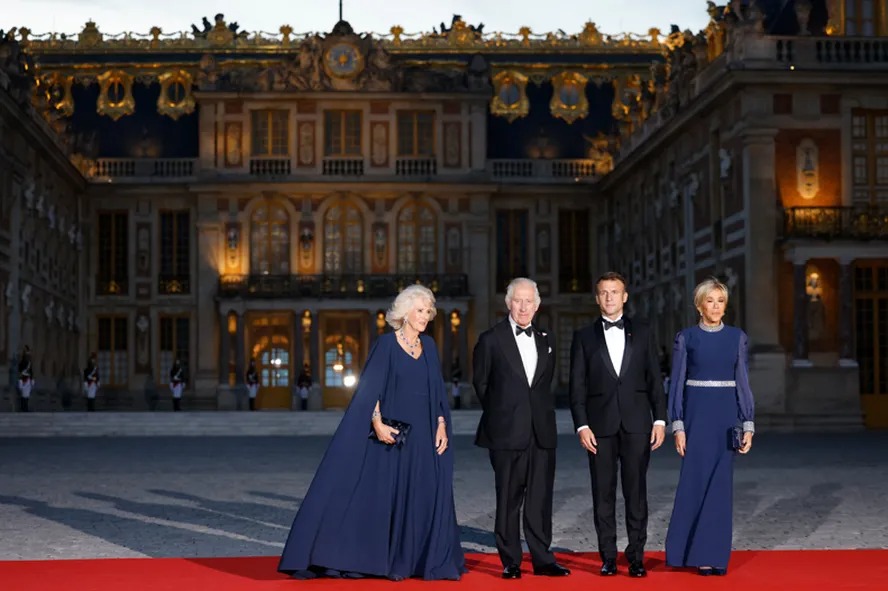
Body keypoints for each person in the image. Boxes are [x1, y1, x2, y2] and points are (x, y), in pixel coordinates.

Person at [278, 285, 465, 581]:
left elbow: (436, 391)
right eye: (419, 310)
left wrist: (442, 423)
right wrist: (376, 423)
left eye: (428, 311)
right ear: (404, 313)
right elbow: (370, 390)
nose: (425, 316)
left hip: (425, 434)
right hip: (394, 435)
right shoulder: (386, 345)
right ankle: (383, 560)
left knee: (423, 495)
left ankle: (418, 559)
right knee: (388, 497)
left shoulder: (429, 346)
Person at [568, 271, 667, 578]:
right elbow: (577, 387)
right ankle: (608, 557)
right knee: (603, 494)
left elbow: (654, 379)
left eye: (615, 292)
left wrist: (660, 419)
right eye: (604, 292)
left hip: (638, 424)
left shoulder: (644, 331)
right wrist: (581, 425)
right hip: (599, 428)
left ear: (625, 296)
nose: (609, 297)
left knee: (636, 494)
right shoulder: (583, 337)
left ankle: (636, 557)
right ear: (597, 298)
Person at [473, 277, 570, 580]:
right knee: (508, 500)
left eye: (530, 301)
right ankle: (510, 560)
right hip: (505, 432)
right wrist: (504, 414)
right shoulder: (490, 339)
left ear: (537, 305)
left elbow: (544, 384)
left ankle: (543, 559)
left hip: (541, 432)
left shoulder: (547, 338)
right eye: (518, 300)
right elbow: (482, 384)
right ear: (508, 303)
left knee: (540, 499)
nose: (524, 306)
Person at [665, 277, 755, 576]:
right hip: (696, 416)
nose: (716, 306)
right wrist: (678, 426)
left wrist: (748, 423)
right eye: (710, 301)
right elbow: (676, 384)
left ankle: (715, 555)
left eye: (720, 301)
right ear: (699, 305)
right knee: (695, 483)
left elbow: (742, 381)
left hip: (726, 417)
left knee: (720, 487)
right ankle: (690, 553)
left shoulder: (737, 337)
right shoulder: (686, 338)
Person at [17, 345, 33, 413]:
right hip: (23, 379)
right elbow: (20, 371)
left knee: (27, 394)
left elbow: (31, 371)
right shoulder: (21, 363)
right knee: (23, 395)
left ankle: (25, 408)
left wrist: (32, 379)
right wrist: (20, 380)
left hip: (28, 379)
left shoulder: (29, 363)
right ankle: (23, 408)